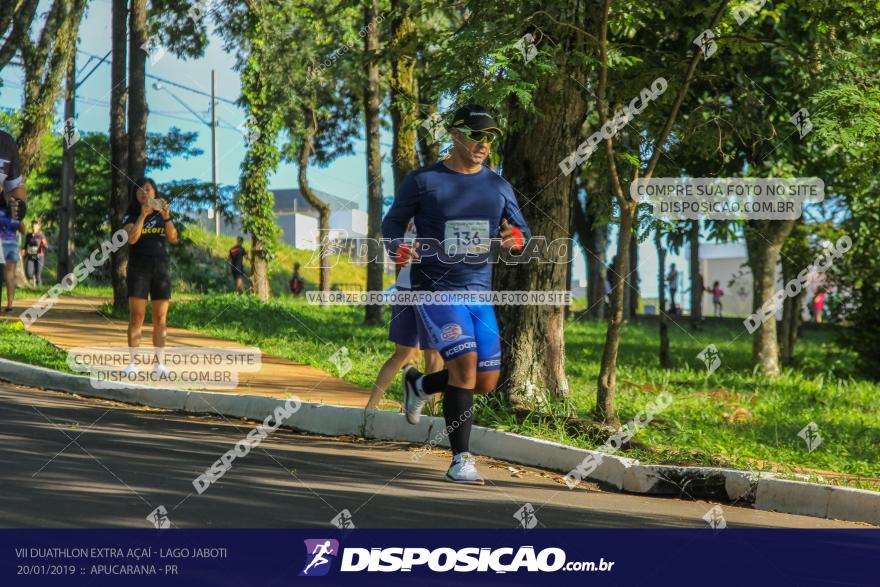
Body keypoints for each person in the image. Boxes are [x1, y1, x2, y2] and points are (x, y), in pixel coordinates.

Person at [382, 104, 529, 484]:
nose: (484, 144)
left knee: (485, 381)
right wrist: (398, 247)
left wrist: (515, 240)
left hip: (479, 292)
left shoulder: (498, 186)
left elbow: (521, 233)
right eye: (477, 135)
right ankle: (460, 458)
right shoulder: (423, 181)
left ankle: (420, 384)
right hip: (435, 289)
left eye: (491, 138)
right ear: (455, 134)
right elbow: (393, 222)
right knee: (463, 366)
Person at [365, 219, 443, 410]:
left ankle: (369, 408)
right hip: (429, 289)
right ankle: (431, 415)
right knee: (434, 355)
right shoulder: (438, 212)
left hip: (404, 286)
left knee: (400, 355)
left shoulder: (409, 218)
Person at [121, 178, 179, 378]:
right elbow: (132, 238)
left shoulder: (163, 215)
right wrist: (142, 216)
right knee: (137, 317)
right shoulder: (131, 215)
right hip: (139, 269)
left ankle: (159, 365)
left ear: (155, 192)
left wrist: (167, 217)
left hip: (161, 268)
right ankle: (132, 364)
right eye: (139, 190)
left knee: (160, 319)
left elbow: (173, 237)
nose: (143, 193)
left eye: (147, 189)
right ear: (135, 196)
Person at [0, 129, 26, 313]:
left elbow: (15, 189)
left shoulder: (5, 143)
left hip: (6, 245)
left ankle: (9, 304)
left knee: (8, 275)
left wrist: (20, 205)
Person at [23, 220, 48, 287]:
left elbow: (46, 246)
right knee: (29, 273)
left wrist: (44, 243)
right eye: (33, 225)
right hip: (31, 256)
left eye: (36, 225)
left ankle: (40, 289)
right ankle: (32, 281)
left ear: (39, 226)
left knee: (38, 275)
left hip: (40, 257)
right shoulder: (28, 235)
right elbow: (25, 246)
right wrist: (23, 252)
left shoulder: (41, 235)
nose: (34, 226)